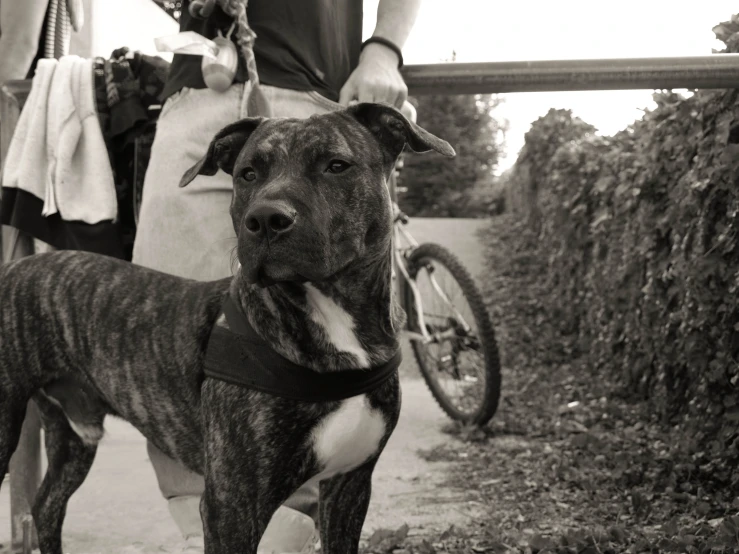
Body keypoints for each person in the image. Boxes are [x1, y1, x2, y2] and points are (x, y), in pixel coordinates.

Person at [133, 1, 421, 552]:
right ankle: (204, 533)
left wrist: (385, 48)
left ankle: (288, 537)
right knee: (164, 348)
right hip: (195, 94)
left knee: (318, 366)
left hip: (315, 92)